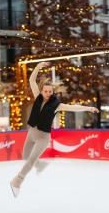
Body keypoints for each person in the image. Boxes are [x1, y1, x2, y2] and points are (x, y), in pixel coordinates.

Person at [10, 62, 99, 197]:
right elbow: (31, 80)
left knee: (31, 160)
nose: (47, 93)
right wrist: (38, 66)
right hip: (32, 132)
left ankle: (17, 181)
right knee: (26, 156)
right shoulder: (37, 97)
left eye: (50, 91)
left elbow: (73, 107)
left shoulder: (57, 105)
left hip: (43, 137)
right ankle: (40, 165)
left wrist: (89, 108)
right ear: (41, 91)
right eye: (45, 91)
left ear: (52, 92)